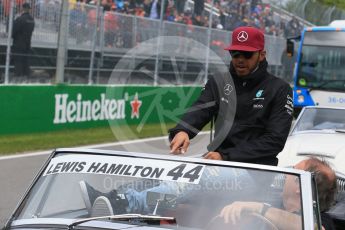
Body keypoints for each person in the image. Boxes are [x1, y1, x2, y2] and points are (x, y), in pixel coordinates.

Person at [169, 26, 293, 166]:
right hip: (219, 166)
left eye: (247, 54)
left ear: (262, 55)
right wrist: (183, 130)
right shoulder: (218, 82)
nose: (240, 59)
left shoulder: (279, 89)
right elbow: (201, 108)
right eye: (235, 53)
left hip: (259, 171)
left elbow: (275, 140)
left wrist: (226, 156)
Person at [219, 157, 337, 230]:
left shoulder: (321, 219)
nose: (286, 175)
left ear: (300, 186)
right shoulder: (272, 199)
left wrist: (259, 208)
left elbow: (314, 228)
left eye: (292, 170)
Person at [11, 2, 35, 78]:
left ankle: (18, 75)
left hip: (19, 42)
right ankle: (26, 75)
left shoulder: (20, 19)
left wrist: (13, 37)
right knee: (26, 59)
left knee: (18, 59)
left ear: (23, 8)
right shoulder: (32, 20)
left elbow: (14, 31)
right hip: (28, 42)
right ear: (29, 9)